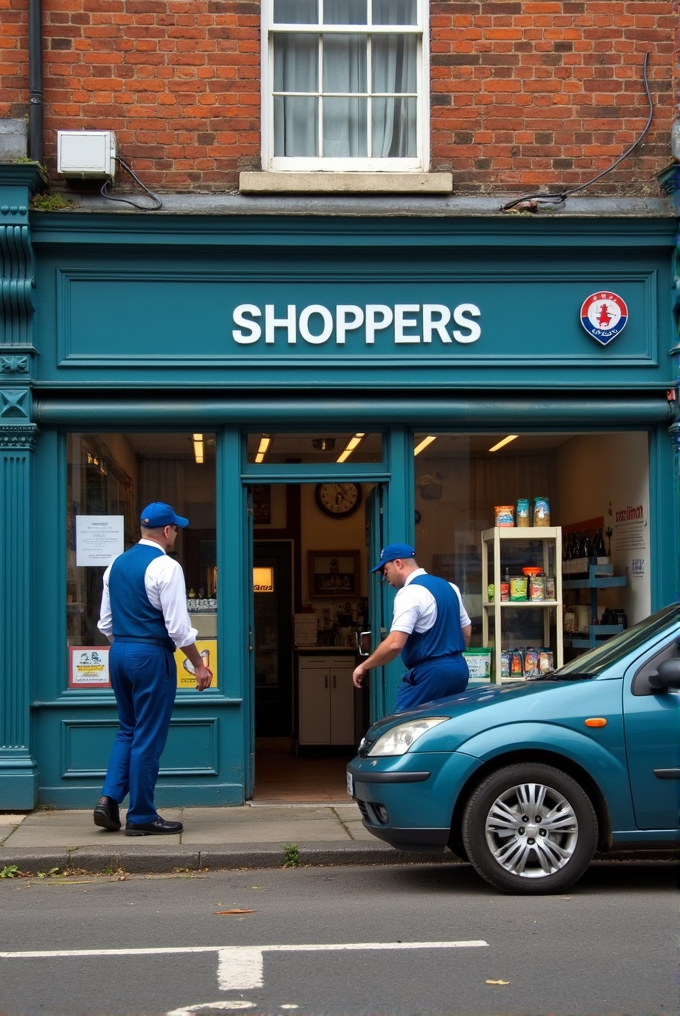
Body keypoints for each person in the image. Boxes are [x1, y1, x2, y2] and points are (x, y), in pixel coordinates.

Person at [93, 502, 213, 836]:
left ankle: (108, 799)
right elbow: (177, 627)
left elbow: (105, 622)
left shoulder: (115, 564)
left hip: (119, 651)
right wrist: (199, 664)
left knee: (127, 729)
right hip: (150, 655)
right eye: (174, 528)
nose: (175, 533)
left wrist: (127, 644)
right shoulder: (166, 566)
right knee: (147, 735)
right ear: (166, 531)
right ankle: (142, 815)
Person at [352, 543, 471, 713]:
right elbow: (466, 633)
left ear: (398, 563)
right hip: (459, 669)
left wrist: (364, 666)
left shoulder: (409, 593)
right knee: (444, 725)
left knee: (402, 726)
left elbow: (395, 644)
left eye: (385, 570)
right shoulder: (450, 587)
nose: (385, 578)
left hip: (431, 673)